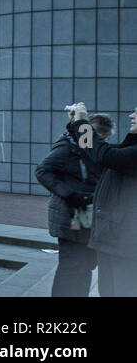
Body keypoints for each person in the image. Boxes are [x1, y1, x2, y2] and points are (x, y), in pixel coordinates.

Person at [36, 109, 111, 296]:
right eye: (102, 138)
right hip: (72, 214)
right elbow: (42, 171)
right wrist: (71, 195)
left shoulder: (82, 148)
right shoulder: (68, 148)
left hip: (83, 214)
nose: (102, 143)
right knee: (72, 266)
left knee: (84, 266)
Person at [69, 107, 137, 296]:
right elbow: (96, 155)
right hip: (115, 239)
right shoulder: (129, 147)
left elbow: (104, 155)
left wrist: (81, 124)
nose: (131, 116)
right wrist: (76, 125)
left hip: (126, 243)